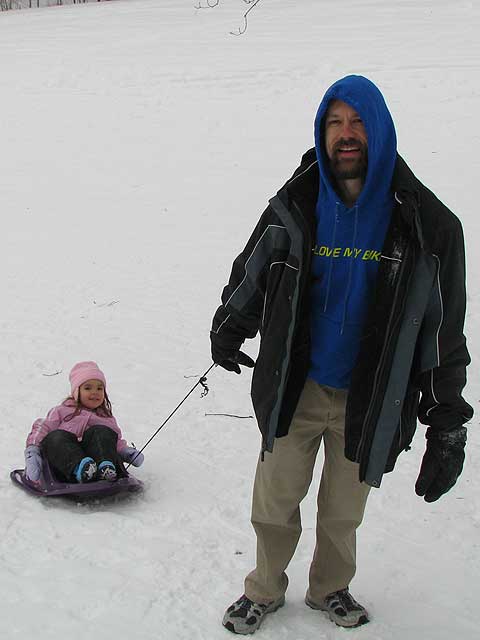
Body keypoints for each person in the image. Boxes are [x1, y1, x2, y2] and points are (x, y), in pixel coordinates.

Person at [210, 75, 473, 633]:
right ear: (321, 132)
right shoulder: (296, 204)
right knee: (274, 500)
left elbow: (445, 331)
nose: (346, 135)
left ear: (380, 131)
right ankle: (263, 588)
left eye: (358, 123)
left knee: (342, 511)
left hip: (372, 396)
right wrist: (232, 322)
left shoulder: (429, 225)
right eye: (335, 123)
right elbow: (253, 268)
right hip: (295, 386)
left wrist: (447, 420)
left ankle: (330, 587)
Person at [24, 361, 144, 484]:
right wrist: (33, 450)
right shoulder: (61, 411)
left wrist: (125, 452)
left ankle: (105, 468)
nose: (95, 392)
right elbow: (42, 428)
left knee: (102, 432)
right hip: (65, 467)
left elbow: (115, 441)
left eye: (99, 388)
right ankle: (81, 468)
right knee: (55, 437)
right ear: (76, 392)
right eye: (88, 388)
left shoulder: (106, 417)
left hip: (97, 463)